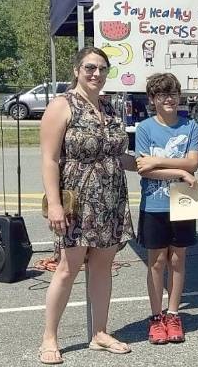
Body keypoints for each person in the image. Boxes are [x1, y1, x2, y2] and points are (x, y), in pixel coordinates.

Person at [39, 47, 135, 364]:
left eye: (102, 69)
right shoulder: (62, 106)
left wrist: (160, 166)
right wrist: (54, 203)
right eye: (90, 67)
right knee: (67, 270)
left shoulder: (108, 107)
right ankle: (49, 338)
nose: (96, 74)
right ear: (77, 69)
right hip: (78, 200)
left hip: (111, 197)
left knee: (102, 267)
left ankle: (100, 333)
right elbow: (50, 160)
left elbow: (118, 155)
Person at [135, 73, 198, 345]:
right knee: (157, 261)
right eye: (162, 95)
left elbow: (193, 163)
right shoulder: (145, 128)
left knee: (177, 260)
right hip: (154, 203)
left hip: (182, 203)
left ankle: (173, 314)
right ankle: (156, 316)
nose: (169, 98)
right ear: (152, 100)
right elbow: (143, 170)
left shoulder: (191, 126)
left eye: (173, 93)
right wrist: (179, 171)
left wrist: (158, 162)